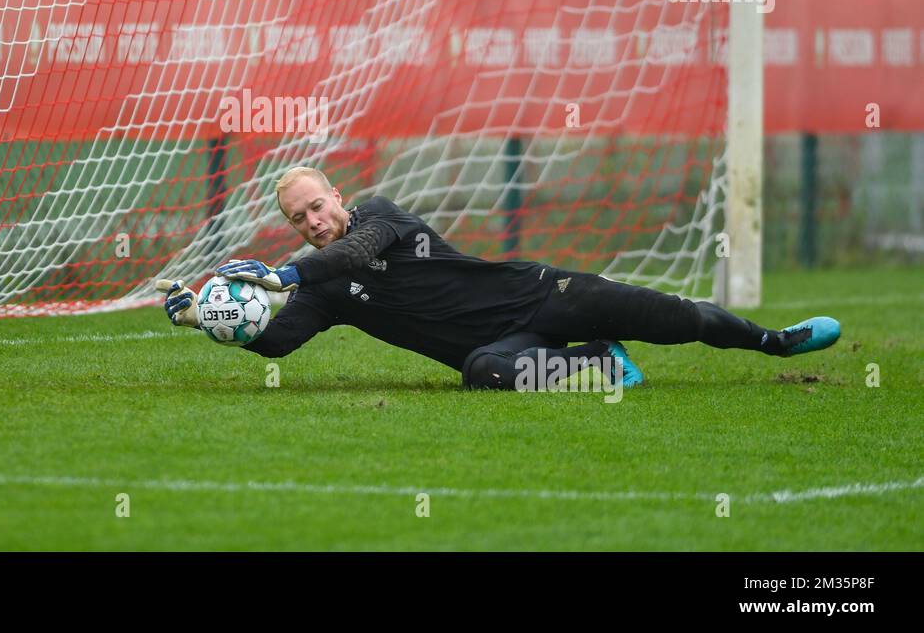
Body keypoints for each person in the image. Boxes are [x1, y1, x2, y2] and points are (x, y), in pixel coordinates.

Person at [157, 166, 841, 390]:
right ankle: (598, 366)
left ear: (337, 196)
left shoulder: (381, 218)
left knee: (677, 319)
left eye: (316, 206)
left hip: (543, 293)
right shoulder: (319, 290)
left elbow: (349, 252)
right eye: (297, 217)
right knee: (482, 372)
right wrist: (205, 319)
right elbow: (277, 344)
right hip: (504, 345)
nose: (311, 220)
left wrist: (278, 273)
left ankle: (776, 342)